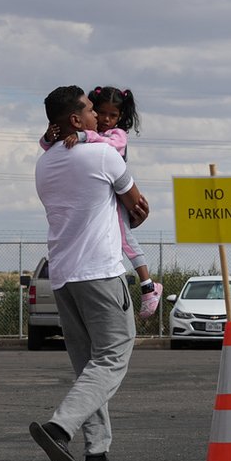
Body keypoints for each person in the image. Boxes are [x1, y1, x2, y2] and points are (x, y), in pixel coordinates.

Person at [29, 85, 149, 461]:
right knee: (114, 354)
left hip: (62, 276)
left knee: (88, 366)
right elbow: (138, 205)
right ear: (76, 120)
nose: (98, 115)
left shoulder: (43, 165)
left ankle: (97, 449)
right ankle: (60, 426)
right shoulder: (102, 155)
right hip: (100, 271)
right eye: (89, 110)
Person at [40, 86, 162, 317]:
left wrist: (83, 136)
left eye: (112, 115)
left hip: (113, 196)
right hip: (104, 199)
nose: (104, 118)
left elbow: (110, 148)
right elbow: (50, 146)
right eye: (98, 111)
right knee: (125, 237)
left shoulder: (114, 138)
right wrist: (50, 136)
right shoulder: (72, 148)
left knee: (127, 239)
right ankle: (148, 286)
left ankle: (147, 285)